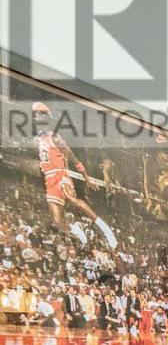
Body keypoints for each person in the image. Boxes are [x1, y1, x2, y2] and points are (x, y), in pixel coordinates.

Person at [31, 103, 117, 250]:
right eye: (35, 116)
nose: (36, 118)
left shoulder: (56, 138)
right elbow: (42, 163)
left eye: (39, 115)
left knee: (71, 199)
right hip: (49, 180)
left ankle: (103, 227)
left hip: (60, 174)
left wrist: (87, 179)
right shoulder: (37, 141)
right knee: (57, 221)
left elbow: (74, 160)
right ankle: (74, 230)